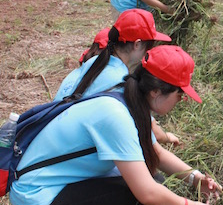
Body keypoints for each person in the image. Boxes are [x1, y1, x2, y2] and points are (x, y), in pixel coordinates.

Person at [10, 45, 223, 205]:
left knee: (153, 180)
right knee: (147, 199)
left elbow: (156, 153)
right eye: (180, 94)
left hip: (46, 188)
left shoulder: (127, 97)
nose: (181, 100)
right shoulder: (116, 116)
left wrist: (196, 179)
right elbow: (147, 194)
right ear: (157, 91)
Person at [55, 9, 179, 146]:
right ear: (137, 44)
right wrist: (167, 138)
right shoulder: (121, 83)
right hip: (73, 148)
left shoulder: (94, 63)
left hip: (55, 135)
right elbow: (151, 135)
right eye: (149, 45)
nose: (149, 51)